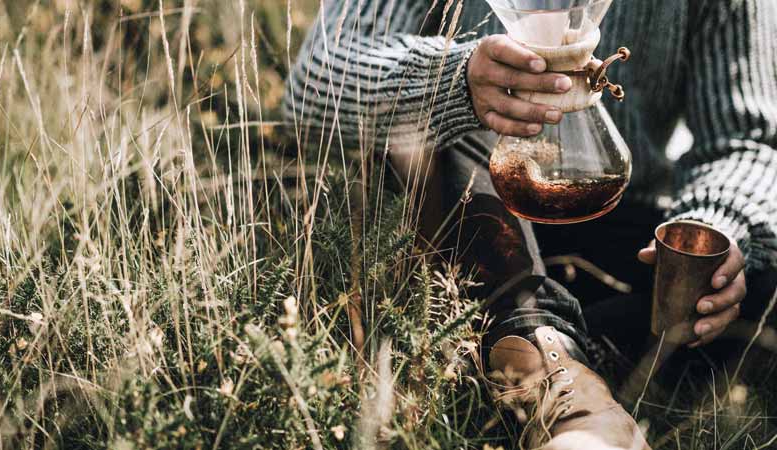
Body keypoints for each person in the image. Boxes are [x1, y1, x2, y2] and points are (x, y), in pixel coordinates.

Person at [283, 1, 777, 448]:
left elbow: (745, 139)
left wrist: (712, 231)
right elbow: (311, 86)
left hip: (628, 230)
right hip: (477, 211)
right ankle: (562, 388)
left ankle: (551, 350)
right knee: (428, 144)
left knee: (760, 259)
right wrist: (456, 83)